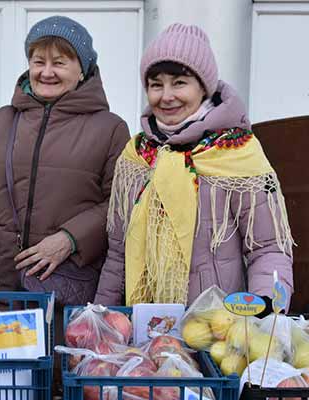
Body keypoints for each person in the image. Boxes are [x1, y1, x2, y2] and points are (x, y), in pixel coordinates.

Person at [95, 23, 294, 309]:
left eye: (179, 82)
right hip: (145, 333)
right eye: (155, 84)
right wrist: (102, 319)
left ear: (204, 87)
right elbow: (117, 257)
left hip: (217, 332)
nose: (166, 96)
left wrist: (265, 311)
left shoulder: (237, 153)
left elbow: (269, 249)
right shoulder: (136, 156)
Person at [0, 15, 129, 301]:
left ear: (82, 71)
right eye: (39, 61)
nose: (47, 72)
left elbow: (120, 206)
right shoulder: (2, 121)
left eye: (60, 62)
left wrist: (71, 238)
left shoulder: (111, 128)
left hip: (63, 291)